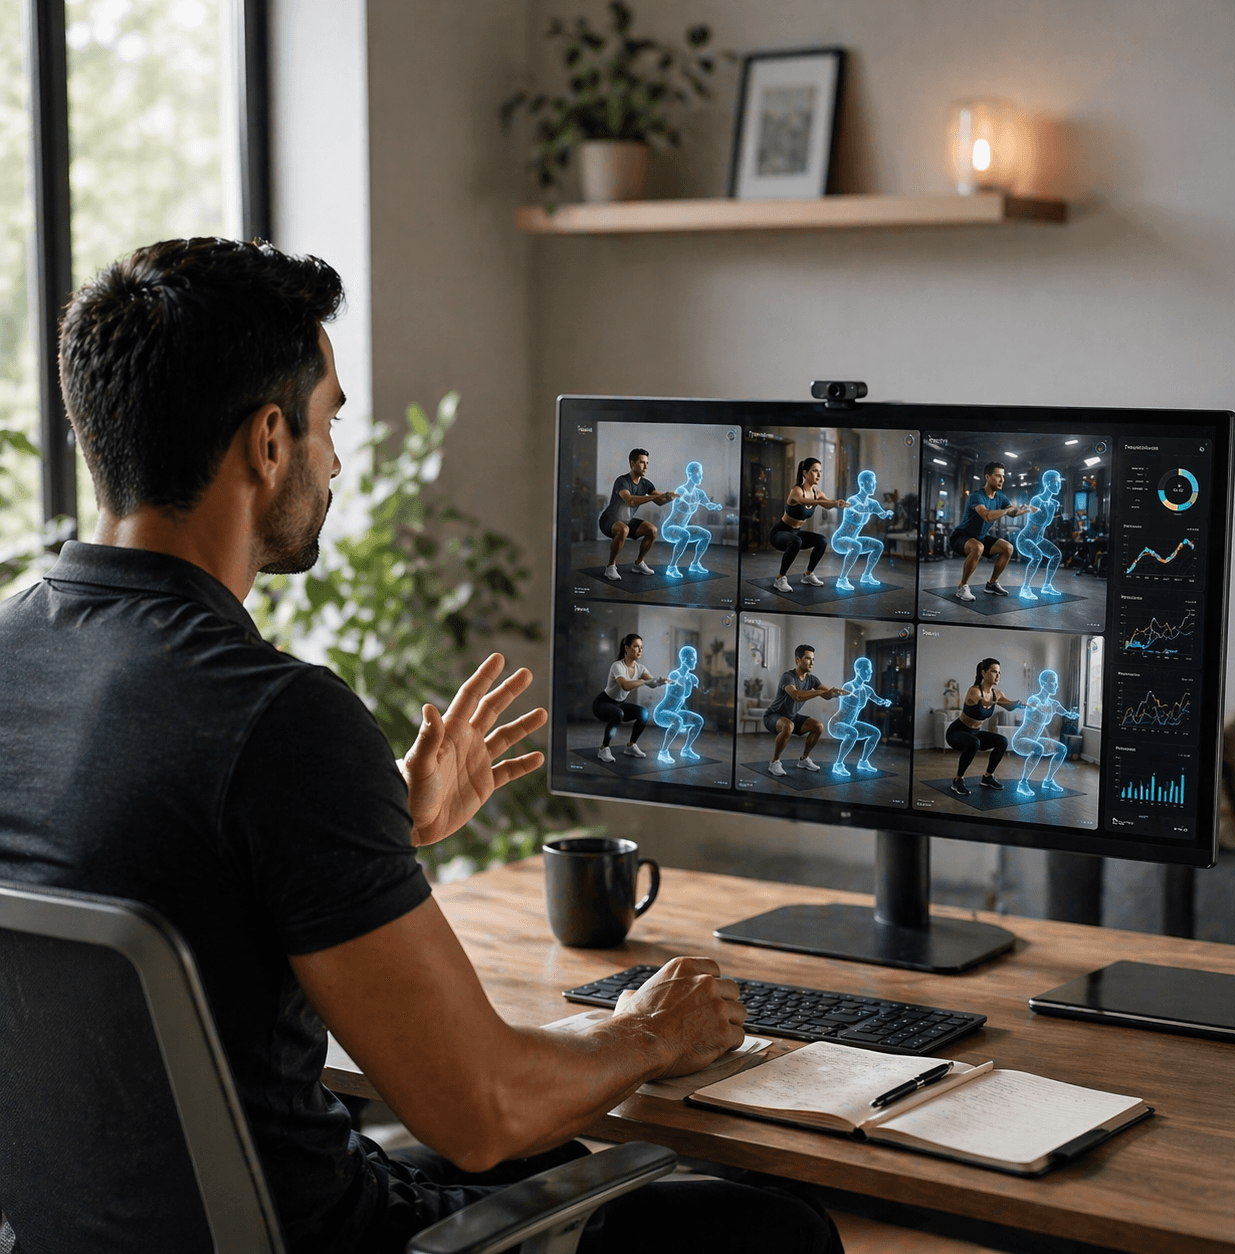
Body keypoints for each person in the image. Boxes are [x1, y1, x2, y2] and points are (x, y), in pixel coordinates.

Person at [0, 239, 838, 1254]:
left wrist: (372, 816)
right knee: (769, 1230)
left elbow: (127, 855)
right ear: (269, 442)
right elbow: (479, 1112)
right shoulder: (275, 720)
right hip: (327, 1235)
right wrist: (656, 1030)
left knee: (559, 1156)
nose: (337, 459)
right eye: (329, 422)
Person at [949, 461, 1037, 603]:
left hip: (981, 537)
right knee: (978, 547)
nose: (1002, 480)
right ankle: (962, 586)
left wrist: (1026, 509)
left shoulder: (1000, 497)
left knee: (1007, 548)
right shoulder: (976, 496)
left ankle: (991, 584)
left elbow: (1012, 512)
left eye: (1003, 476)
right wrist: (1007, 510)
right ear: (987, 477)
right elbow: (987, 515)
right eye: (997, 476)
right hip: (961, 536)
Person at [762, 645, 844, 777]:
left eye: (813, 659)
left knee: (818, 726)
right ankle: (774, 763)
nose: (812, 662)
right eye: (808, 658)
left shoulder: (812, 679)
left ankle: (804, 760)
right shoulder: (787, 677)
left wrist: (835, 693)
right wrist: (818, 692)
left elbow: (826, 695)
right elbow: (796, 695)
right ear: (798, 660)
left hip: (792, 717)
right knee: (788, 725)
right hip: (773, 715)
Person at [768, 458, 847, 594]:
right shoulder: (797, 490)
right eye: (815, 471)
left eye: (820, 472)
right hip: (779, 533)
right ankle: (779, 578)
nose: (819, 475)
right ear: (805, 473)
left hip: (795, 532)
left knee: (821, 540)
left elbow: (826, 503)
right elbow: (802, 501)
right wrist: (821, 501)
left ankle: (808, 575)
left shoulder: (817, 493)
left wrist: (836, 503)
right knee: (796, 541)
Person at [596, 448, 677, 581]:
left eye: (647, 463)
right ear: (632, 464)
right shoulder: (621, 481)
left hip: (626, 520)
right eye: (642, 462)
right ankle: (610, 567)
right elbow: (630, 501)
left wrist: (673, 497)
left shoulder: (646, 483)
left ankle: (639, 564)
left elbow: (660, 501)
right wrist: (655, 497)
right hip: (608, 521)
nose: (645, 466)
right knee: (623, 529)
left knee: (652, 530)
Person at [946, 658, 1022, 796]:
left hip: (975, 733)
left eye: (999, 672)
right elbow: (985, 702)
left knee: (1002, 741)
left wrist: (1018, 704)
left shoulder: (997, 694)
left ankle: (988, 777)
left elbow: (1009, 706)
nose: (997, 675)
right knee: (974, 742)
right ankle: (958, 780)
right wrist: (997, 701)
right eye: (993, 671)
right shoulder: (974, 691)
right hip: (956, 733)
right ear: (983, 673)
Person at [592, 633, 670, 762]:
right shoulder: (617, 666)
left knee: (643, 713)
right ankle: (603, 749)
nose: (640, 650)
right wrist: (644, 681)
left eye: (641, 647)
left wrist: (661, 681)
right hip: (601, 705)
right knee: (618, 713)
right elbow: (625, 686)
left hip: (618, 705)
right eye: (636, 646)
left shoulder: (640, 668)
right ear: (627, 648)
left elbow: (652, 683)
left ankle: (631, 746)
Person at [1011, 670, 1079, 797]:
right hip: (1020, 740)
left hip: (1035, 740)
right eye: (1052, 683)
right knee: (1038, 748)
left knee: (1062, 749)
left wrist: (1072, 715)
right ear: (1043, 683)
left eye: (1056, 683)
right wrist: (1028, 706)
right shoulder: (1034, 699)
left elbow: (1067, 713)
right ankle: (1023, 783)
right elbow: (1032, 705)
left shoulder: (1054, 704)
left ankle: (1048, 781)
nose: (1055, 686)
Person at [826, 657, 892, 776]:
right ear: (857, 670)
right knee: (853, 733)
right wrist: (847, 694)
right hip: (836, 725)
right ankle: (838, 765)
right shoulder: (849, 686)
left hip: (851, 724)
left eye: (870, 670)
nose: (869, 673)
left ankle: (863, 762)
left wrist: (885, 702)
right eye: (866, 670)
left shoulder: (867, 690)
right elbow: (843, 695)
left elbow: (878, 700)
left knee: (875, 733)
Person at [830, 469, 892, 592]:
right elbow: (860, 509)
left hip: (853, 540)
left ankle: (866, 576)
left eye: (875, 482)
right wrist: (873, 510)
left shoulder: (873, 503)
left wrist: (887, 513)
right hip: (839, 540)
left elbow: (882, 514)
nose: (874, 485)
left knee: (878, 545)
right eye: (871, 482)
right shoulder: (853, 501)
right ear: (862, 484)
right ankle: (842, 580)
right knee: (856, 545)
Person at [659, 460, 723, 578]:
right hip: (669, 529)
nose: (702, 476)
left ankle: (695, 564)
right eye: (699, 473)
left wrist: (714, 506)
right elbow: (680, 502)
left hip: (682, 529)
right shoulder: (681, 490)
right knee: (685, 534)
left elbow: (708, 504)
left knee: (706, 535)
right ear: (690, 474)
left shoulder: (699, 493)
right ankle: (671, 568)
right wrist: (684, 503)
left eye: (702, 473)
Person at [1017, 469, 1064, 601]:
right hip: (1024, 539)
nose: (1059, 486)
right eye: (1056, 482)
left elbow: (1048, 524)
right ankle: (1024, 589)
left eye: (1060, 483)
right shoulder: (1036, 500)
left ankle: (1047, 585)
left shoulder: (1053, 504)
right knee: (1037, 555)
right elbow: (1033, 517)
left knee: (1056, 554)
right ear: (1047, 483)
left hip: (1038, 539)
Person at [654, 645, 703, 764]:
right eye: (692, 658)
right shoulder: (675, 675)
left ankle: (686, 749)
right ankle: (663, 752)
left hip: (675, 712)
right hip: (662, 712)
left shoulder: (692, 678)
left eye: (695, 659)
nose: (695, 662)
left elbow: (684, 700)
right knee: (678, 720)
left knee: (698, 720)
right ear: (683, 659)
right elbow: (676, 690)